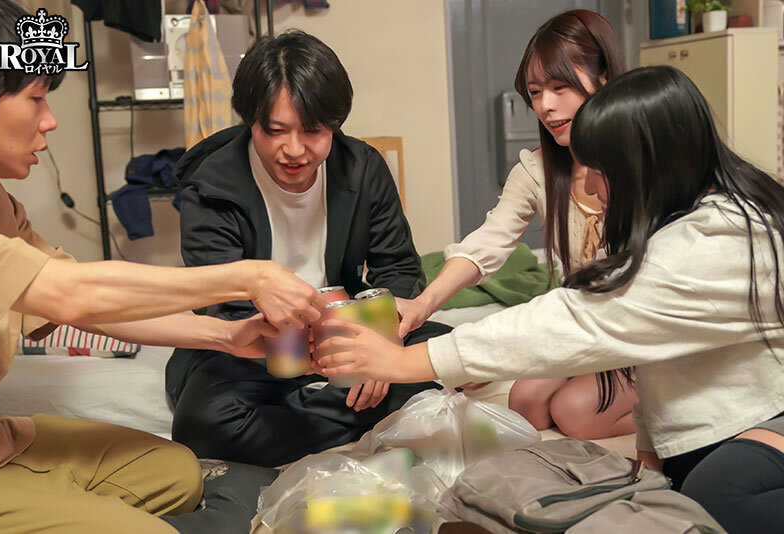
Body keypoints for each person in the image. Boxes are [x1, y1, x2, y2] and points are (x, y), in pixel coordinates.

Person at [316, 65, 784, 534]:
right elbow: (645, 349)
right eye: (535, 91)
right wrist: (648, 459)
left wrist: (403, 362)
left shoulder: (720, 241)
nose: (592, 187)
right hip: (708, 425)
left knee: (718, 496)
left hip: (768, 414)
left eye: (600, 171)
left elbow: (578, 319)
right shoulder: (659, 222)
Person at [0, 1, 323, 531]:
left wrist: (226, 336)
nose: (50, 119)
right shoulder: (213, 178)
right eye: (36, 98)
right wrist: (248, 276)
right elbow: (74, 294)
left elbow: (86, 308)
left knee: (178, 473)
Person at [167, 29, 452, 468]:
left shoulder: (362, 169)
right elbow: (223, 305)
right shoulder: (210, 186)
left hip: (351, 328)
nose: (294, 150)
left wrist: (380, 342)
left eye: (313, 131)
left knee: (451, 355)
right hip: (254, 344)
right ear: (251, 121)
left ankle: (299, 416)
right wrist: (320, 353)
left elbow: (397, 268)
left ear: (334, 124)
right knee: (203, 426)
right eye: (275, 131)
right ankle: (356, 413)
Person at [395, 10, 636, 439]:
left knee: (574, 412)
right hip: (583, 327)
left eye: (559, 87)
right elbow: (488, 242)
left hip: (637, 330)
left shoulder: (640, 160)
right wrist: (423, 304)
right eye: (535, 92)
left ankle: (673, 403)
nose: (545, 106)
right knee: (526, 403)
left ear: (603, 78)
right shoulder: (537, 171)